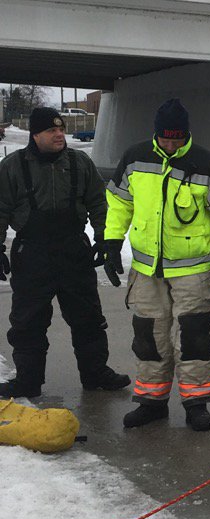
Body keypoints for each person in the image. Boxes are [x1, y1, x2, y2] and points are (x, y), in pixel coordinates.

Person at [104, 99, 210, 432]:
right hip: (147, 270)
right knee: (149, 338)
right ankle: (151, 401)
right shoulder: (135, 158)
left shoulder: (206, 164)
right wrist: (110, 243)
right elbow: (119, 203)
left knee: (194, 338)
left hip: (192, 270)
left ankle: (196, 404)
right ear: (156, 133)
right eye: (165, 138)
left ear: (186, 133)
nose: (171, 144)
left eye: (177, 138)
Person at [0, 107, 129, 398]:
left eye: (61, 129)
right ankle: (28, 380)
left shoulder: (79, 162)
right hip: (32, 253)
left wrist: (105, 238)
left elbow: (98, 202)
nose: (60, 134)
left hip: (73, 251)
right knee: (28, 322)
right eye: (51, 130)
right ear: (35, 135)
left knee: (88, 317)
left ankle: (95, 373)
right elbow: (1, 209)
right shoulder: (13, 166)